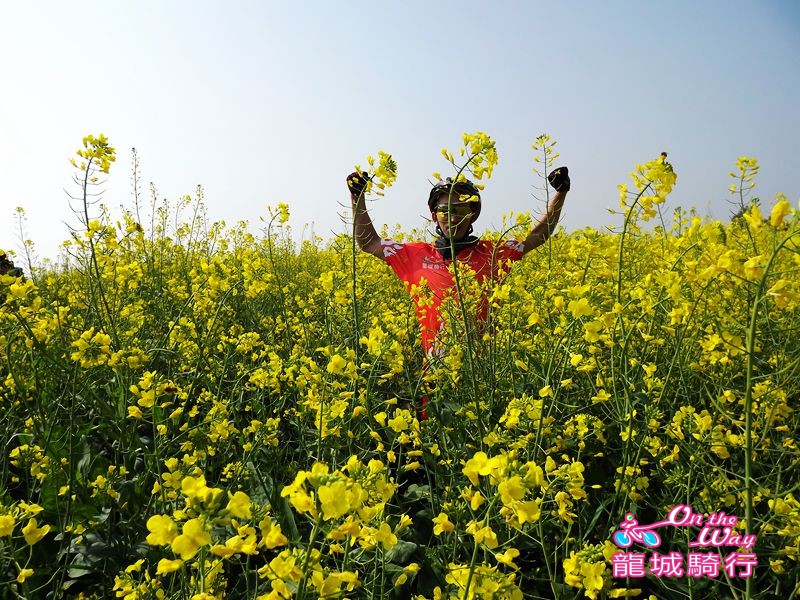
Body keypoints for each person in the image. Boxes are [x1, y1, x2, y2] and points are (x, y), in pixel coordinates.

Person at [346, 168, 570, 417]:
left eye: (461, 210)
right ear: (434, 215)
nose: (452, 217)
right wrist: (358, 196)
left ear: (472, 215)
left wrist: (560, 193)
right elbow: (368, 242)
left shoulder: (493, 254)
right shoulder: (414, 255)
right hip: (434, 377)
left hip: (480, 378)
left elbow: (537, 236)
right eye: (444, 210)